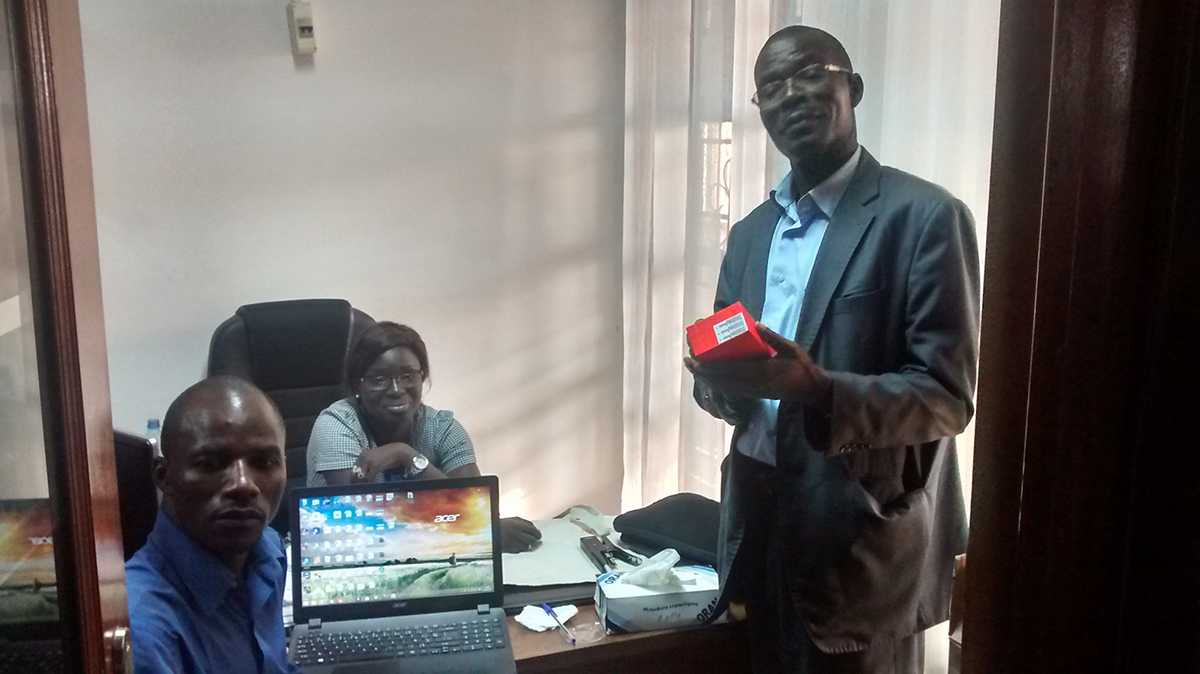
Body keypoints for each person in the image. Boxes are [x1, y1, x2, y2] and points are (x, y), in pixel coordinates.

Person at [685, 25, 980, 673]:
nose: (791, 95)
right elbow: (735, 378)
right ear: (760, 112)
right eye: (771, 87)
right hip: (757, 521)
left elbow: (945, 399)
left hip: (861, 535)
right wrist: (716, 384)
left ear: (853, 87)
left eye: (810, 74)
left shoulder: (924, 217)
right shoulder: (750, 236)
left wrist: (818, 392)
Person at [306, 321, 541, 553]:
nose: (397, 389)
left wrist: (406, 455)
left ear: (423, 377)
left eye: (408, 376)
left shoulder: (443, 428)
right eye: (379, 380)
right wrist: (468, 524)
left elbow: (474, 508)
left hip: (428, 551)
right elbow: (356, 521)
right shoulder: (337, 425)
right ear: (358, 384)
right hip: (345, 555)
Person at [126, 376, 295, 674]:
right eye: (211, 463)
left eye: (264, 462)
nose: (244, 485)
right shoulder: (144, 627)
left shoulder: (268, 552)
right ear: (164, 477)